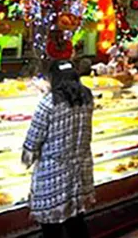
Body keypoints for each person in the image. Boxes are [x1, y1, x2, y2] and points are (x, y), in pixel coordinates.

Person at [22, 61, 95, 238]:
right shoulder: (86, 97)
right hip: (80, 169)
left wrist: (26, 159)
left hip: (53, 173)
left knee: (51, 228)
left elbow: (33, 139)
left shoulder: (49, 102)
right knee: (76, 221)